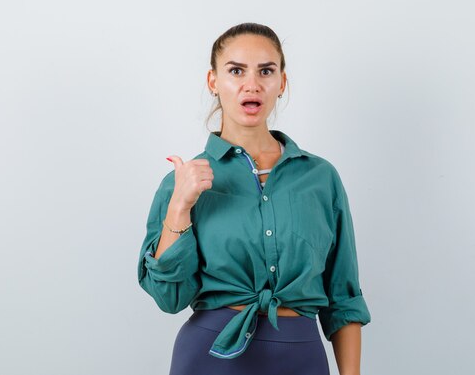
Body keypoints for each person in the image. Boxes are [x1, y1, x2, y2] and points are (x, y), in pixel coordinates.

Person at [137, 22, 371, 375]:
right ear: (213, 81)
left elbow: (344, 298)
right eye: (236, 70)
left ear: (282, 82)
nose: (252, 84)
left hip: (301, 358)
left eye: (266, 70)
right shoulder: (181, 183)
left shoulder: (321, 178)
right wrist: (180, 206)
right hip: (210, 357)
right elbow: (169, 298)